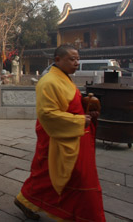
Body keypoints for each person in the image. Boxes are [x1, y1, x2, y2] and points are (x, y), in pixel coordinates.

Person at [14, 45, 105, 221]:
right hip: (59, 138)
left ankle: (26, 199)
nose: (76, 63)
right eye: (72, 59)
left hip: (75, 136)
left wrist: (87, 109)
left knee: (49, 176)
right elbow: (47, 114)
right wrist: (79, 121)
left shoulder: (64, 78)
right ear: (57, 60)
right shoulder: (48, 82)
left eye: (78, 59)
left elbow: (70, 104)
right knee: (74, 177)